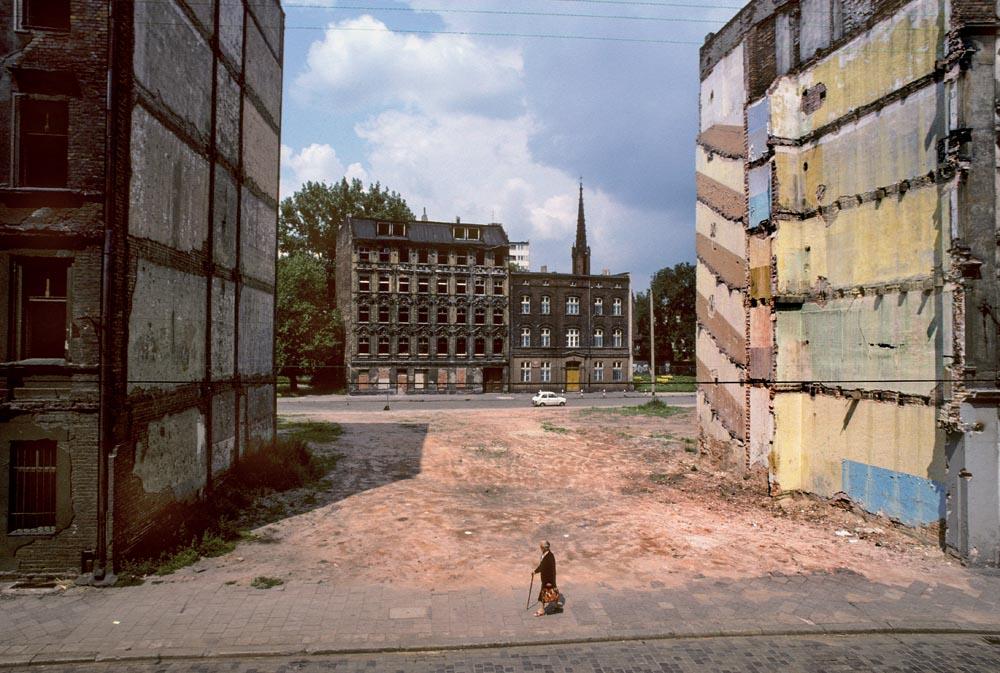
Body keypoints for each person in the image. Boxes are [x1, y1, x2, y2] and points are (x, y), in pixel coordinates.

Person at [532, 541, 558, 616]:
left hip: (548, 579)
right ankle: (555, 605)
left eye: (541, 547)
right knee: (553, 590)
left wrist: (550, 581)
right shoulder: (545, 554)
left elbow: (546, 568)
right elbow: (541, 566)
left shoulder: (549, 557)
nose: (540, 548)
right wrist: (535, 571)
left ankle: (542, 610)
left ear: (543, 548)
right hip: (547, 578)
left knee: (543, 592)